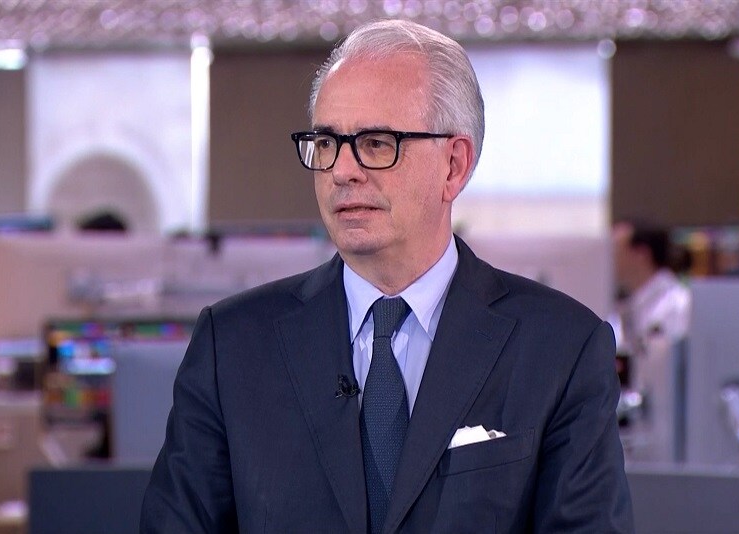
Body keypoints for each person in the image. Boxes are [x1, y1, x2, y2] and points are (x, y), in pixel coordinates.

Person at [141, 19, 633, 533]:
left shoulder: (562, 350)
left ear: (453, 165)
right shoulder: (231, 346)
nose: (342, 171)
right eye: (327, 143)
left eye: (376, 143)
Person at [609, 218, 691, 361]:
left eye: (615, 250)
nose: (609, 259)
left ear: (641, 254)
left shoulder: (678, 305)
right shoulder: (625, 305)